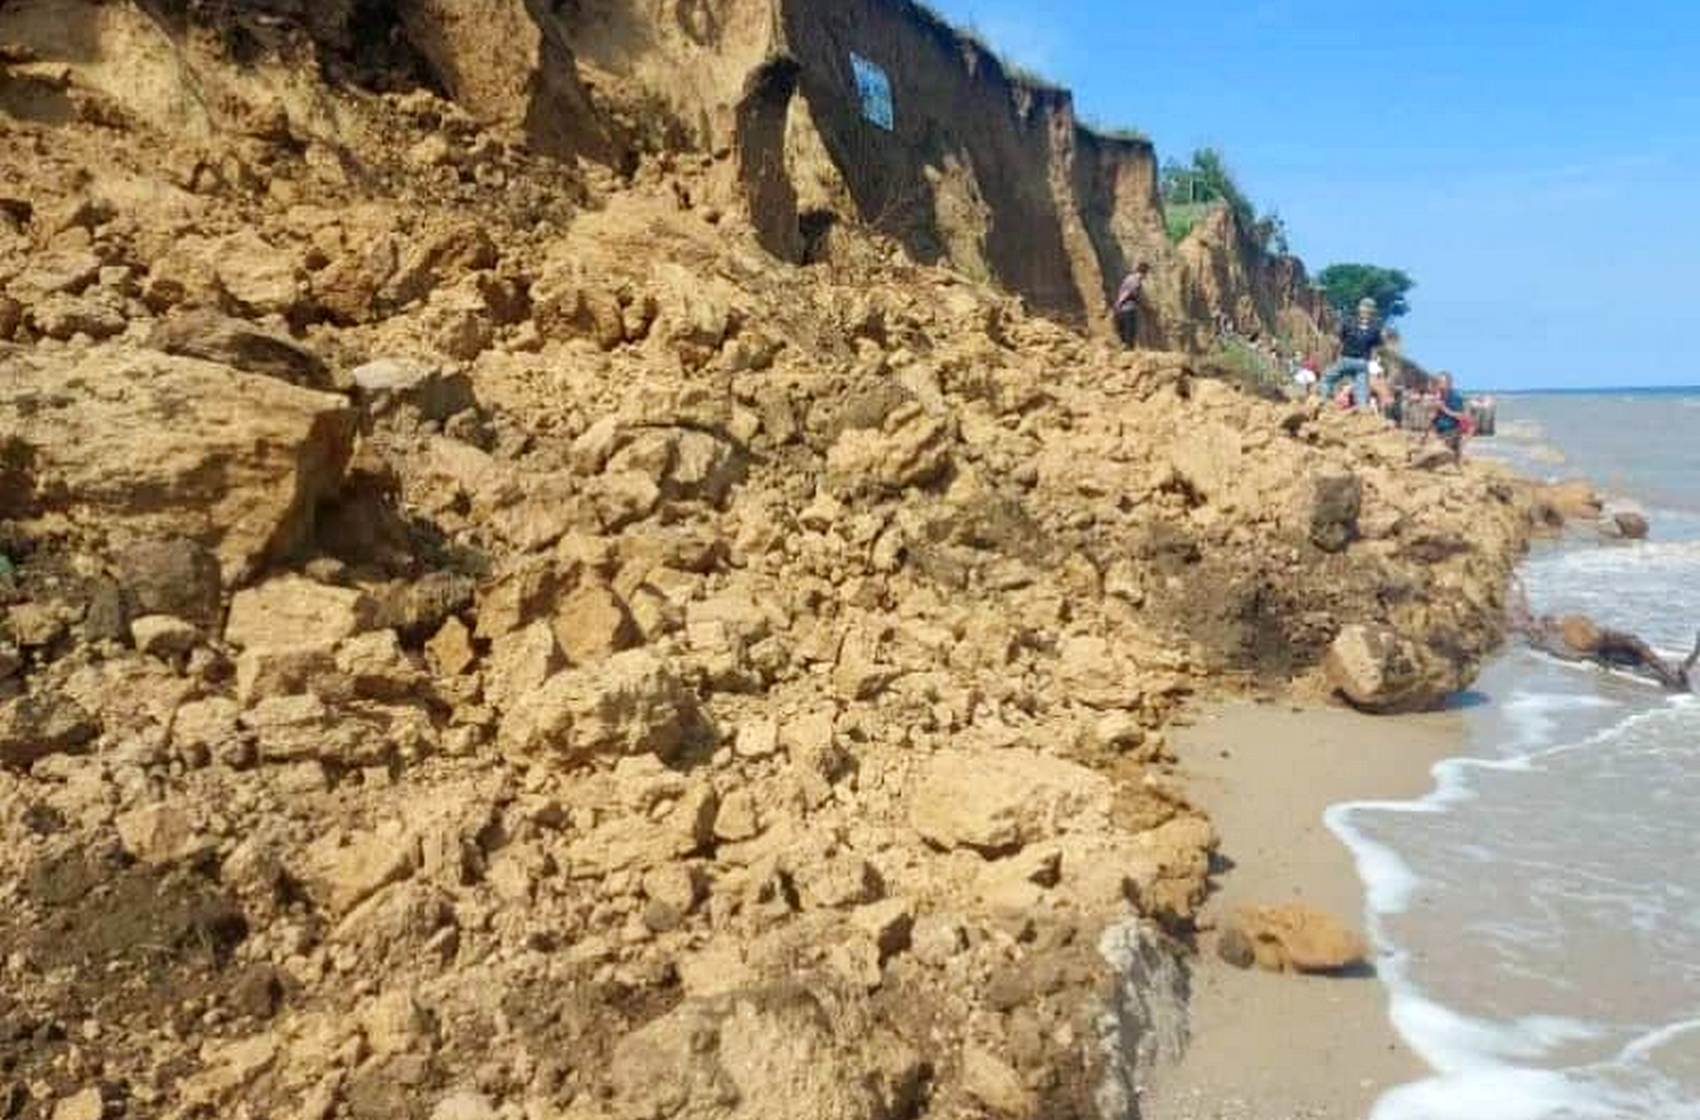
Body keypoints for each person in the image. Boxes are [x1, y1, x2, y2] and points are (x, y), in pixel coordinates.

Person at [1322, 298, 1384, 407]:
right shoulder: (1375, 328)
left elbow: (1339, 340)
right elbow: (1376, 347)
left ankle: (1323, 401)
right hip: (1362, 362)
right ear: (1373, 311)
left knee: (1327, 379)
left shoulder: (1349, 322)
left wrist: (1335, 356)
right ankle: (1363, 412)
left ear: (1359, 308)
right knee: (1361, 391)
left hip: (1346, 359)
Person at [1111, 261, 1150, 348]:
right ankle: (1129, 349)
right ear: (1144, 272)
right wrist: (1141, 303)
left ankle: (1124, 347)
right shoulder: (1136, 281)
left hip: (1121, 307)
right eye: (1146, 273)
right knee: (1130, 330)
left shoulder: (1129, 277)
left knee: (1123, 330)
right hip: (1128, 307)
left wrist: (1118, 304)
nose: (1145, 277)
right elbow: (1132, 293)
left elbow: (1123, 292)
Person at [1431, 371, 1469, 462]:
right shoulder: (1440, 396)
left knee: (1433, 452)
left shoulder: (1456, 397)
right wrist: (1434, 410)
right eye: (1438, 382)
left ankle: (1456, 455)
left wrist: (1444, 409)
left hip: (1451, 432)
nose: (1439, 384)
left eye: (1441, 382)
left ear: (1449, 383)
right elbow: (1434, 417)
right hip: (1439, 431)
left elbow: (1461, 417)